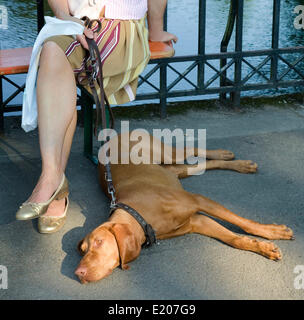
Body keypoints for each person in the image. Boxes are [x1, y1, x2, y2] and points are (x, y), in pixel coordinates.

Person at [16, 0, 177, 233]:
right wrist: (63, 15)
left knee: (55, 55)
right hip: (74, 25)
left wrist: (156, 28)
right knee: (53, 52)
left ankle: (52, 183)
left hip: (120, 29)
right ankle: (52, 178)